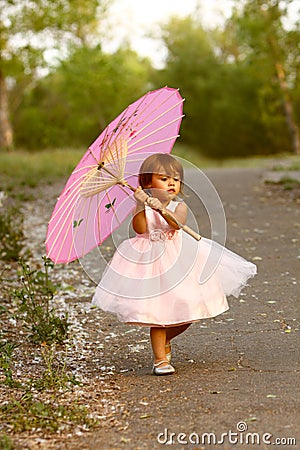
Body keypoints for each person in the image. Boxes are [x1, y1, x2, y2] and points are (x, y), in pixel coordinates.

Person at [92, 153, 257, 375]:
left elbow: (177, 225)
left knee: (190, 307)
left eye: (176, 179)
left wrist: (161, 208)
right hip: (149, 262)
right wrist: (141, 205)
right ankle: (160, 358)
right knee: (157, 313)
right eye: (164, 178)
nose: (171, 183)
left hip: (180, 259)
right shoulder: (142, 205)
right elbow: (140, 229)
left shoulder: (179, 206)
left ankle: (165, 339)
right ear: (147, 183)